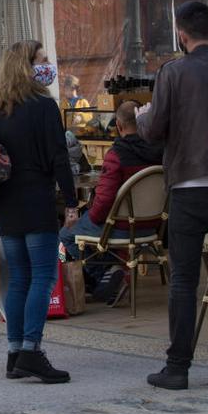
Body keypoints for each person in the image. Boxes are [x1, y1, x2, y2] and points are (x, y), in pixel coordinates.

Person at [136, 1, 208, 391]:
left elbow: (152, 130)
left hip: (188, 183)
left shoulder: (172, 72)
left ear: (181, 34)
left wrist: (138, 115)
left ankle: (178, 367)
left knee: (184, 279)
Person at [0, 40, 77, 384]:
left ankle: (14, 352)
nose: (48, 64)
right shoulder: (43, 106)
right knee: (43, 276)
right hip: (36, 198)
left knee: (19, 277)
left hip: (7, 202)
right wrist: (70, 201)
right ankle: (31, 352)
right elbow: (59, 157)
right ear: (27, 65)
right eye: (42, 60)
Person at [58, 101, 163, 300]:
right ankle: (111, 272)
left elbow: (104, 201)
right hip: (153, 226)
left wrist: (91, 217)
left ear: (119, 126)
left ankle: (105, 274)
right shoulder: (160, 152)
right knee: (87, 227)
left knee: (66, 234)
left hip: (121, 226)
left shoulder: (117, 155)